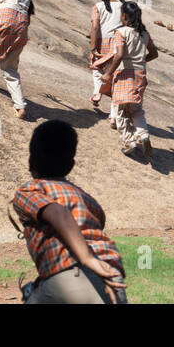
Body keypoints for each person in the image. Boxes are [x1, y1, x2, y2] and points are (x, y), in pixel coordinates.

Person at [12, 120, 127, 304]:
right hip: (111, 278)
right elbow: (99, 221)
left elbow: (58, 212)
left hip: (70, 278)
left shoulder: (30, 191)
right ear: (71, 164)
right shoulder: (86, 198)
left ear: (30, 161)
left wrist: (87, 258)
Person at [95, 1, 159, 158]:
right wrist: (141, 61)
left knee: (121, 112)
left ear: (123, 16)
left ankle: (129, 142)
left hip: (125, 75)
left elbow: (119, 54)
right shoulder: (144, 34)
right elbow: (154, 54)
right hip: (140, 75)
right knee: (136, 110)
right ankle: (143, 135)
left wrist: (108, 73)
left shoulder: (121, 32)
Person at [87, 0, 125, 110]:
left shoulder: (98, 6)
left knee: (97, 69)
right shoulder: (123, 6)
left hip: (102, 41)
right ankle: (114, 114)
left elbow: (95, 27)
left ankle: (97, 92)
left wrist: (93, 47)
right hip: (119, 43)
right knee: (114, 75)